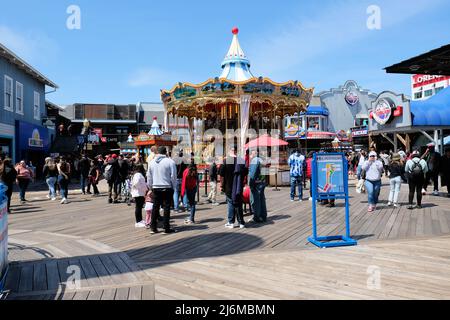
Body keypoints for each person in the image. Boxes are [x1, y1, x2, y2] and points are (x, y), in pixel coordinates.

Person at [147, 146, 177, 234]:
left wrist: (150, 187)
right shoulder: (170, 162)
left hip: (155, 187)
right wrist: (173, 187)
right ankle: (166, 227)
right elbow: (173, 176)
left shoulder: (151, 162)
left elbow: (149, 176)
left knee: (155, 207)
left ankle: (153, 227)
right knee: (166, 207)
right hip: (167, 187)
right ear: (166, 152)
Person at [219, 146, 248, 229]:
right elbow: (246, 172)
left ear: (230, 151)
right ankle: (241, 222)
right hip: (238, 186)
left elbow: (220, 172)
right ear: (236, 151)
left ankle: (231, 222)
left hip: (228, 186)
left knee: (231, 203)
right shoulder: (241, 160)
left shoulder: (227, 160)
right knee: (238, 203)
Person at [248, 150, 267, 223]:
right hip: (262, 182)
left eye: (251, 153)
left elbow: (252, 174)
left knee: (255, 201)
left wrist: (251, 184)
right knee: (262, 199)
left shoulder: (255, 160)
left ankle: (256, 217)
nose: (250, 155)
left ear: (254, 153)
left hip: (256, 183)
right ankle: (263, 216)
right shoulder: (262, 159)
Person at [131, 164, 148, 228]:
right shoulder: (138, 174)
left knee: (139, 207)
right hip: (138, 193)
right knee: (138, 207)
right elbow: (136, 183)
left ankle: (140, 220)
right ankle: (138, 221)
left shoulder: (136, 174)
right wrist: (142, 188)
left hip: (139, 193)